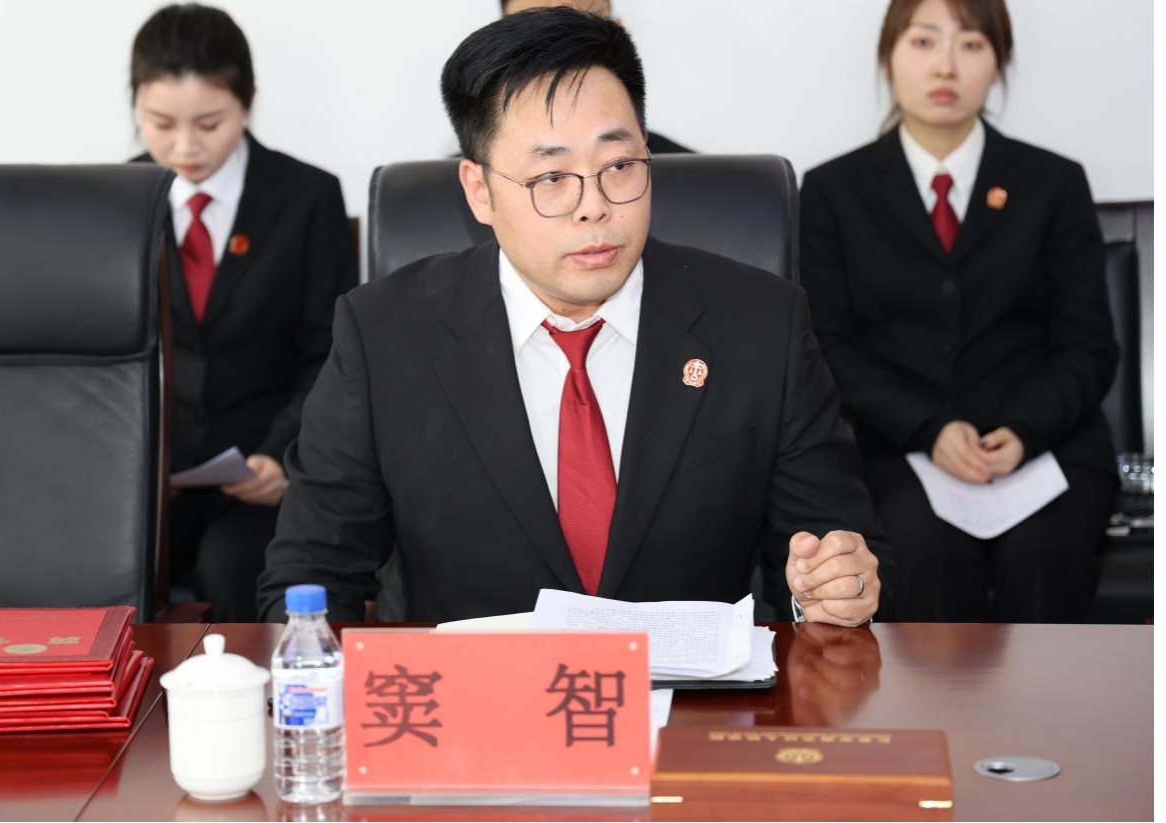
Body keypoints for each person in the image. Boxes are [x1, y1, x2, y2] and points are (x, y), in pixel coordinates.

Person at [258, 7, 892, 626]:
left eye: (618, 166)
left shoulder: (761, 325)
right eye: (551, 177)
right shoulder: (384, 336)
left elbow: (838, 554)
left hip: (691, 695)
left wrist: (834, 592)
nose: (594, 206)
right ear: (480, 192)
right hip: (477, 693)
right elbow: (311, 573)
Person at [799, 0, 1118, 622]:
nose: (946, 65)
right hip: (902, 447)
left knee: (1043, 554)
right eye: (923, 42)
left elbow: (1089, 345)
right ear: (888, 57)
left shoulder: (1053, 183)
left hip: (1046, 443)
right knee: (924, 556)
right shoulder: (834, 191)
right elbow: (829, 345)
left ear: (998, 62)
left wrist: (1024, 430)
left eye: (971, 44)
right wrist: (928, 428)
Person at [130, 3, 356, 621]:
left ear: (248, 102)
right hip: (146, 480)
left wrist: (283, 455)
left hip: (260, 473)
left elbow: (331, 352)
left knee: (237, 570)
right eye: (160, 123)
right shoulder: (115, 203)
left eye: (209, 123)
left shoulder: (306, 197)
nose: (185, 146)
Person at [499, 0, 693, 154]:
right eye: (532, 36)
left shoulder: (694, 180)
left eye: (578, 32)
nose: (558, 57)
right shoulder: (484, 172)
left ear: (619, 37)